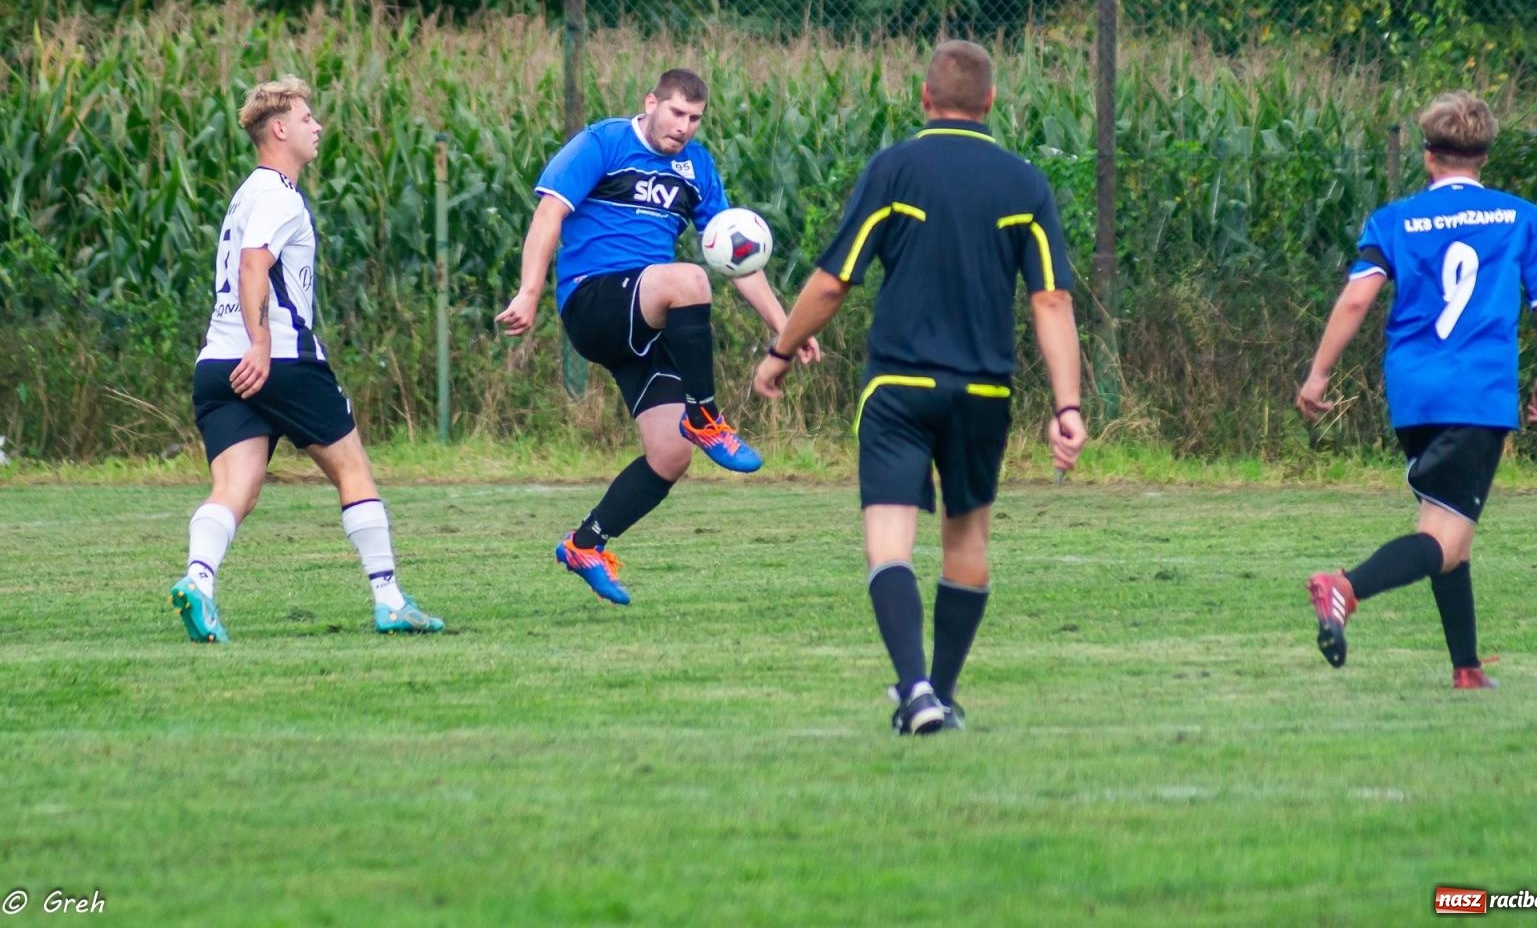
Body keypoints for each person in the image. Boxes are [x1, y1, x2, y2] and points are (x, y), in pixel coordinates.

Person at [754, 40, 1086, 735]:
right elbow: (1050, 302)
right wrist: (1068, 406)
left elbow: (833, 281)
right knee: (966, 542)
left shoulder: (895, 168)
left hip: (900, 387)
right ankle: (945, 694)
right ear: (991, 103)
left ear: (925, 100)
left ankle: (915, 689)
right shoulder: (1024, 182)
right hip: (984, 393)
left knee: (889, 543)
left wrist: (780, 350)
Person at [496, 69, 820, 606]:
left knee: (670, 456)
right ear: (651, 103)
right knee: (688, 279)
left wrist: (785, 328)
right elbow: (549, 213)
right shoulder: (603, 142)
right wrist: (530, 291)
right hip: (593, 301)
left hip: (645, 317)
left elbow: (736, 256)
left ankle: (586, 545)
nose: (684, 127)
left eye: (695, 118)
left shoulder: (697, 167)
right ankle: (706, 416)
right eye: (676, 114)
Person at [1296, 90, 1537, 689]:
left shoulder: (1393, 220)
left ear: (1429, 157)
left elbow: (1357, 297)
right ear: (1483, 158)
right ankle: (1344, 588)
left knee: (1450, 524)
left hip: (1414, 394)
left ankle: (1466, 668)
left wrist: (1319, 373)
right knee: (1442, 538)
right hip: (1478, 393)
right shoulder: (1523, 218)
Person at [171, 76, 445, 642]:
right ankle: (390, 599)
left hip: (217, 365)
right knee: (352, 469)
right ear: (279, 129)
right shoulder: (276, 194)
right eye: (306, 118)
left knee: (235, 491)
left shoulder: (246, 193)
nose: (316, 127)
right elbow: (253, 266)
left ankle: (198, 582)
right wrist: (263, 343)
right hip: (278, 360)